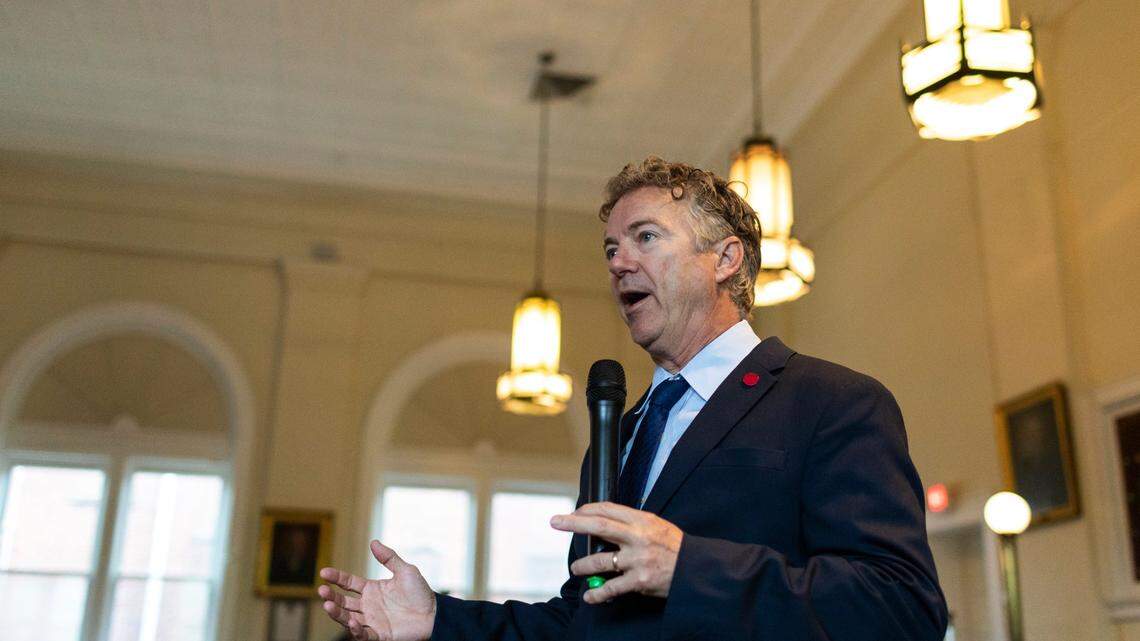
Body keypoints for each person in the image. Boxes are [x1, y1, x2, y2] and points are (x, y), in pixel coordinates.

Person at [318, 156, 948, 640]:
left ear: (726, 258)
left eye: (646, 238)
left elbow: (901, 606)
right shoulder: (621, 430)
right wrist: (439, 621)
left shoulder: (833, 402)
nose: (619, 263)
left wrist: (689, 568)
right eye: (612, 249)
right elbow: (586, 622)